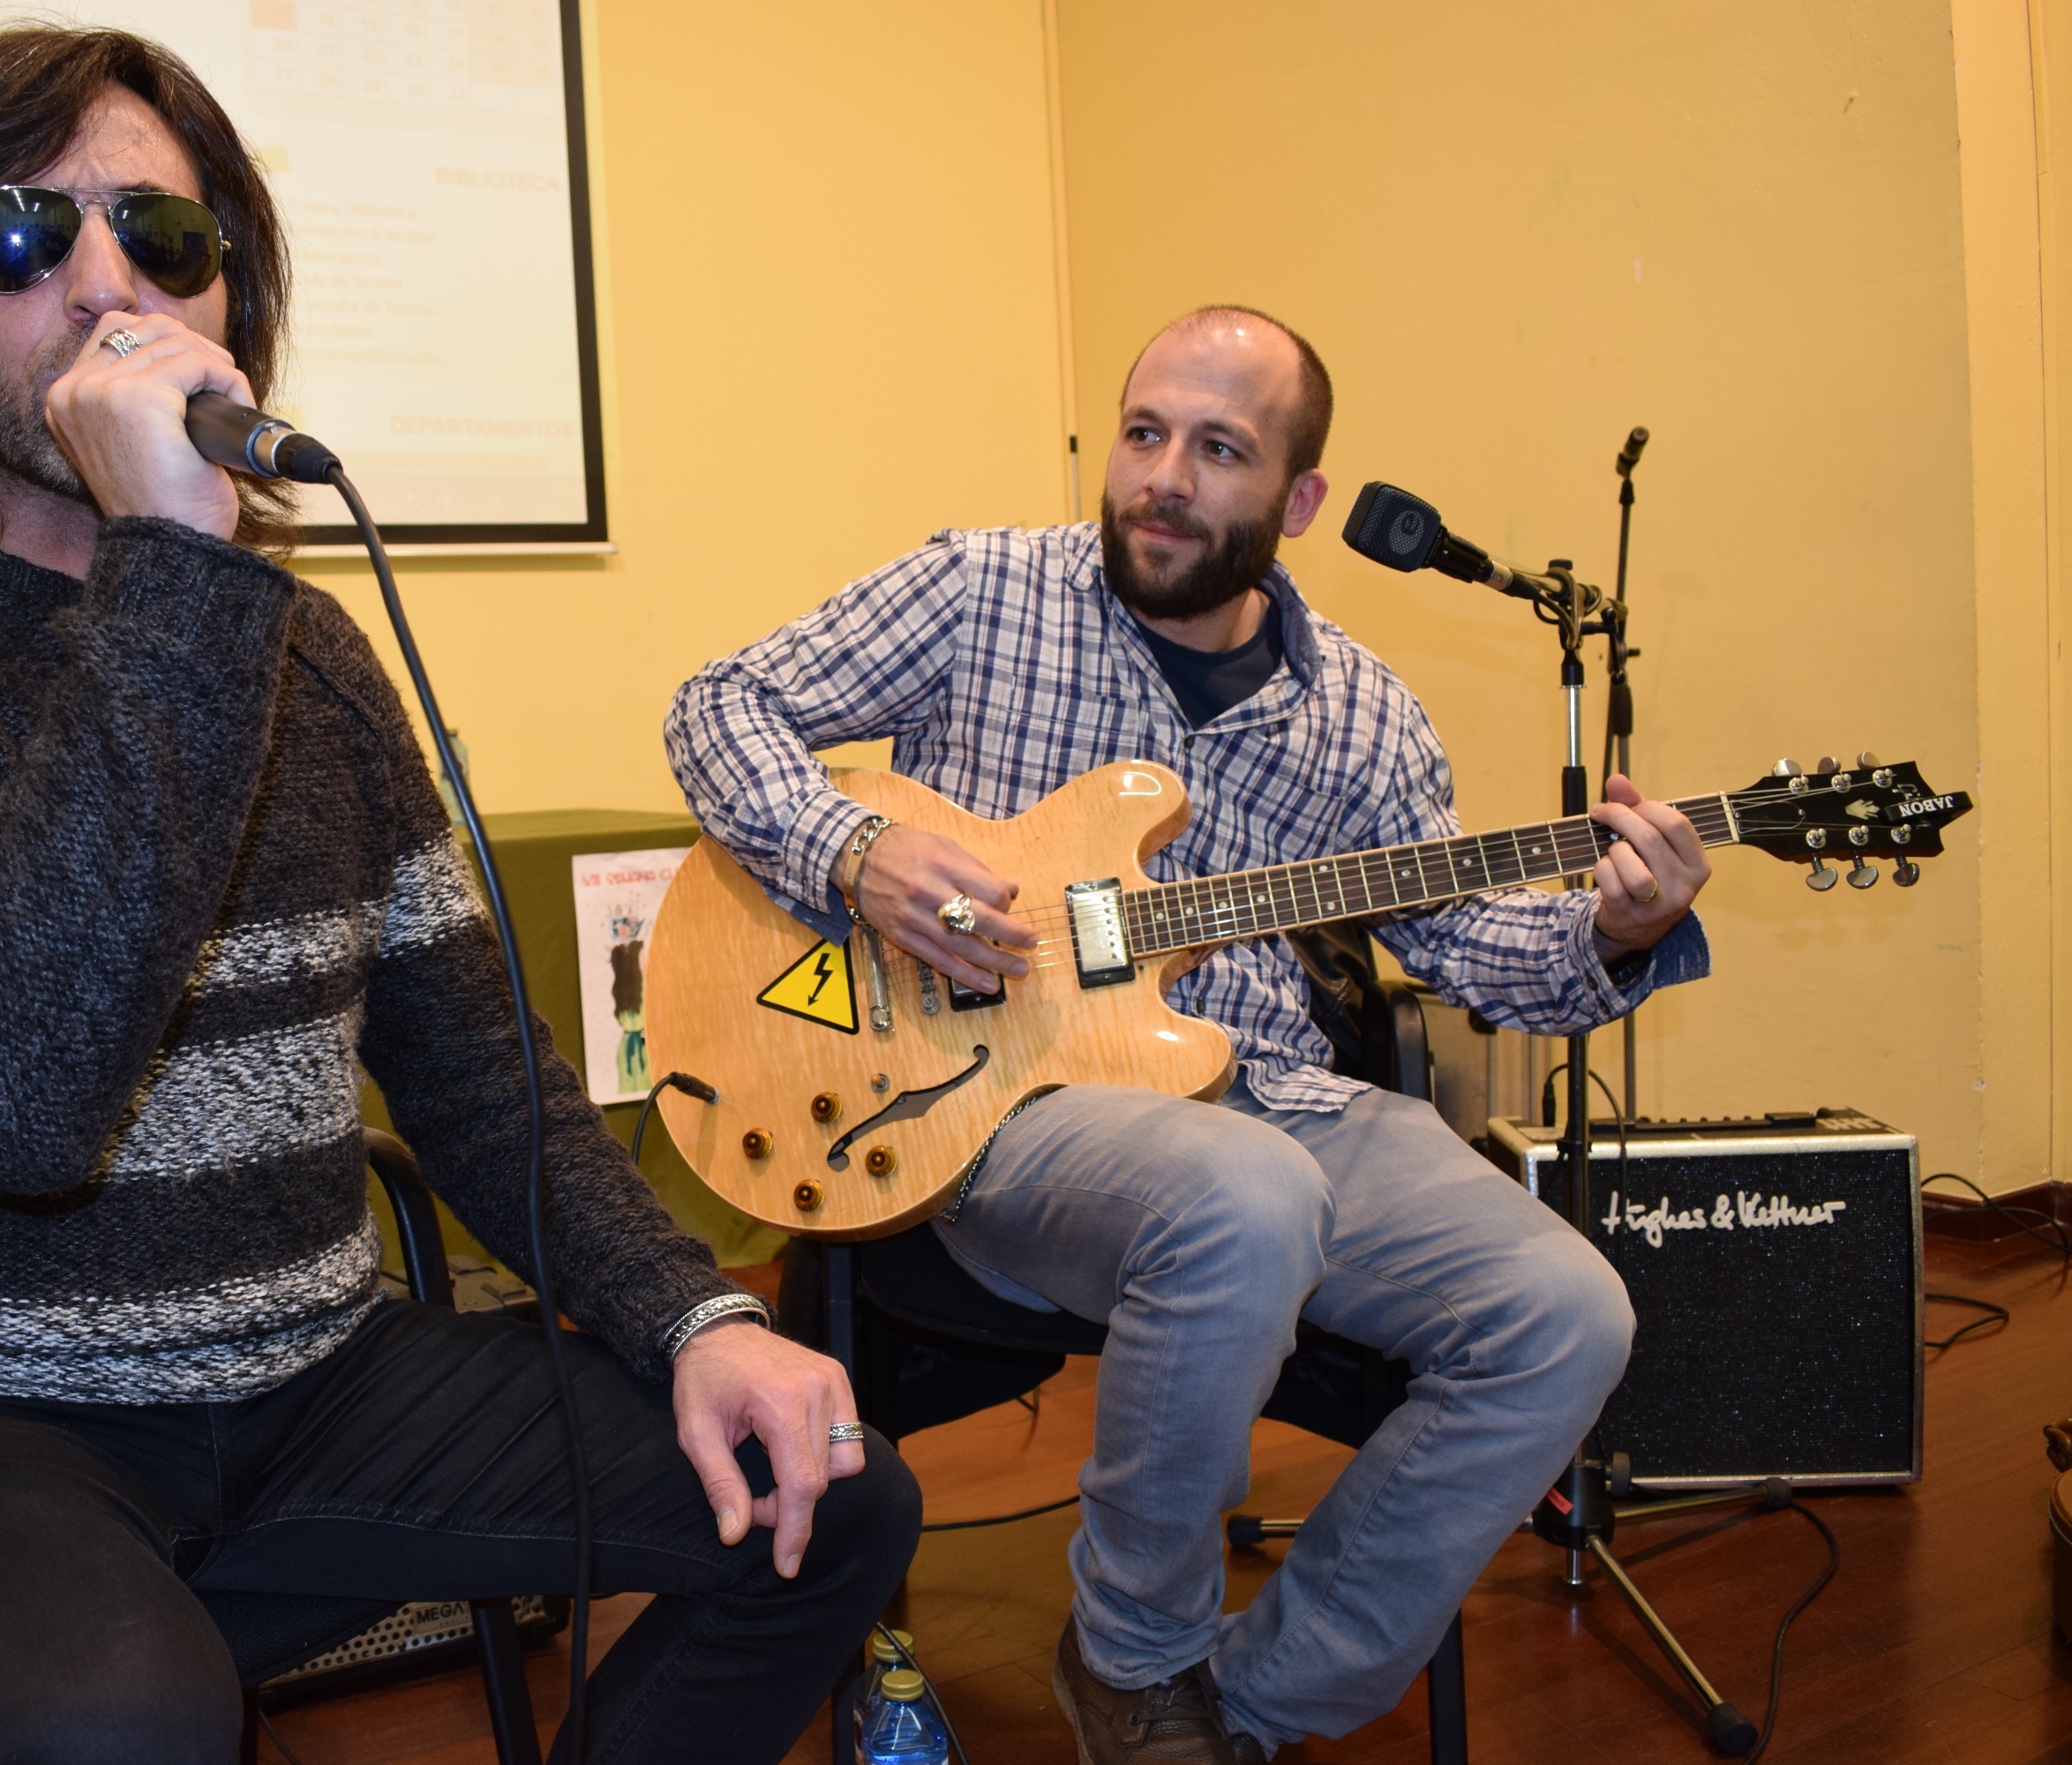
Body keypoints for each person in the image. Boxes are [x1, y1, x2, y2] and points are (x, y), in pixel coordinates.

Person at [0, 27, 915, 1765]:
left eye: (165, 238)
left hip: (309, 1377)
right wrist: (174, 564)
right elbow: (14, 1099)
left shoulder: (301, 651)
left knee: (829, 1492)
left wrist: (694, 1314)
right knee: (113, 1721)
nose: (112, 286)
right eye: (19, 235)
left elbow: (481, 1078)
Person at [665, 305, 1713, 1761]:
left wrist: (1619, 930)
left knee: (1567, 1311)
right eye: (1145, 433)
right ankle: (1138, 1654)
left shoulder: (1361, 715)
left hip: (1263, 1089)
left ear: (1299, 499)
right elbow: (719, 706)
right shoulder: (985, 590)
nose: (1163, 477)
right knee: (1244, 1194)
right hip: (994, 1101)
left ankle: (1235, 1711)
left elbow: (1471, 946)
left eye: (1219, 450)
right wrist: (858, 852)